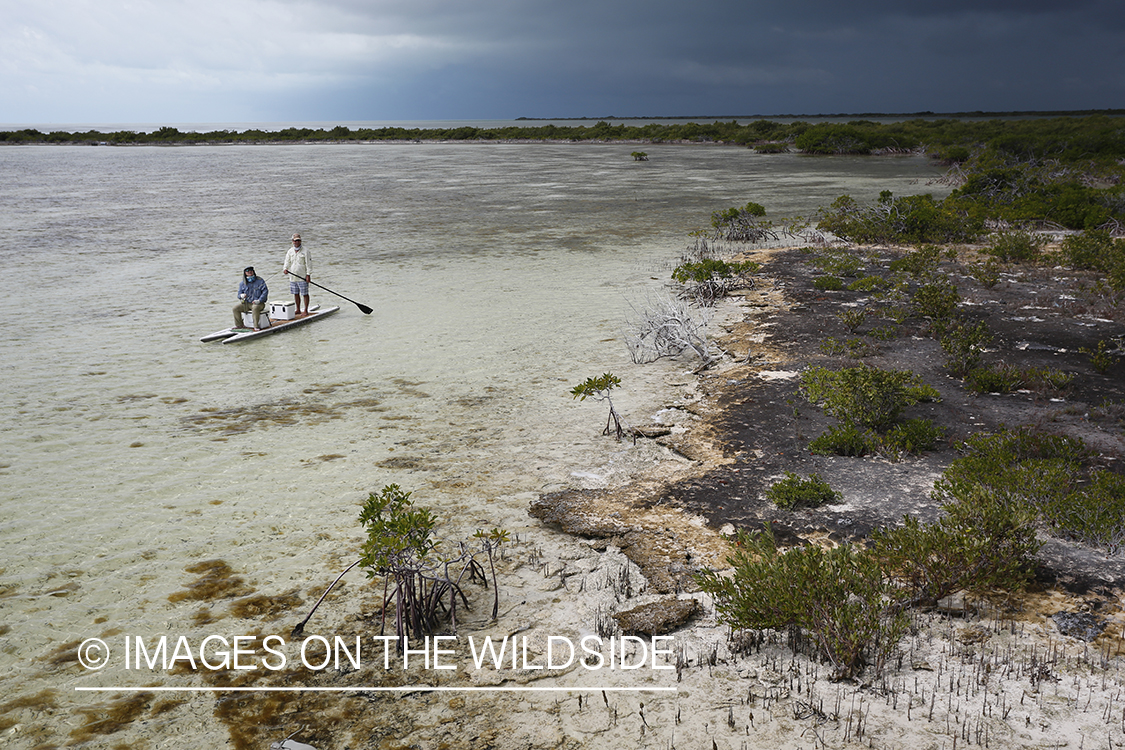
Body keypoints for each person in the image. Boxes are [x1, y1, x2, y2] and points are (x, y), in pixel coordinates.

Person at [282, 232, 312, 315]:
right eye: (295, 241)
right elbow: (287, 261)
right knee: (295, 293)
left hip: (302, 276)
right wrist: (285, 268)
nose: (297, 242)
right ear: (292, 241)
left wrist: (308, 274)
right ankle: (298, 309)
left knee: (305, 293)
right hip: (293, 277)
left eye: (298, 240)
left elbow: (309, 264)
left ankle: (306, 310)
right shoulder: (290, 251)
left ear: (300, 241)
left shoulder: (306, 251)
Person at [232, 266, 269, 331]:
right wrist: (241, 296)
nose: (249, 272)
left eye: (251, 270)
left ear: (253, 272)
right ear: (245, 273)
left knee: (255, 308)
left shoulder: (260, 281)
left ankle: (256, 326)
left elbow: (265, 291)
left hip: (258, 304)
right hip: (246, 303)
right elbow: (238, 294)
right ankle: (239, 325)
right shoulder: (242, 283)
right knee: (235, 308)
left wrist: (259, 300)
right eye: (247, 271)